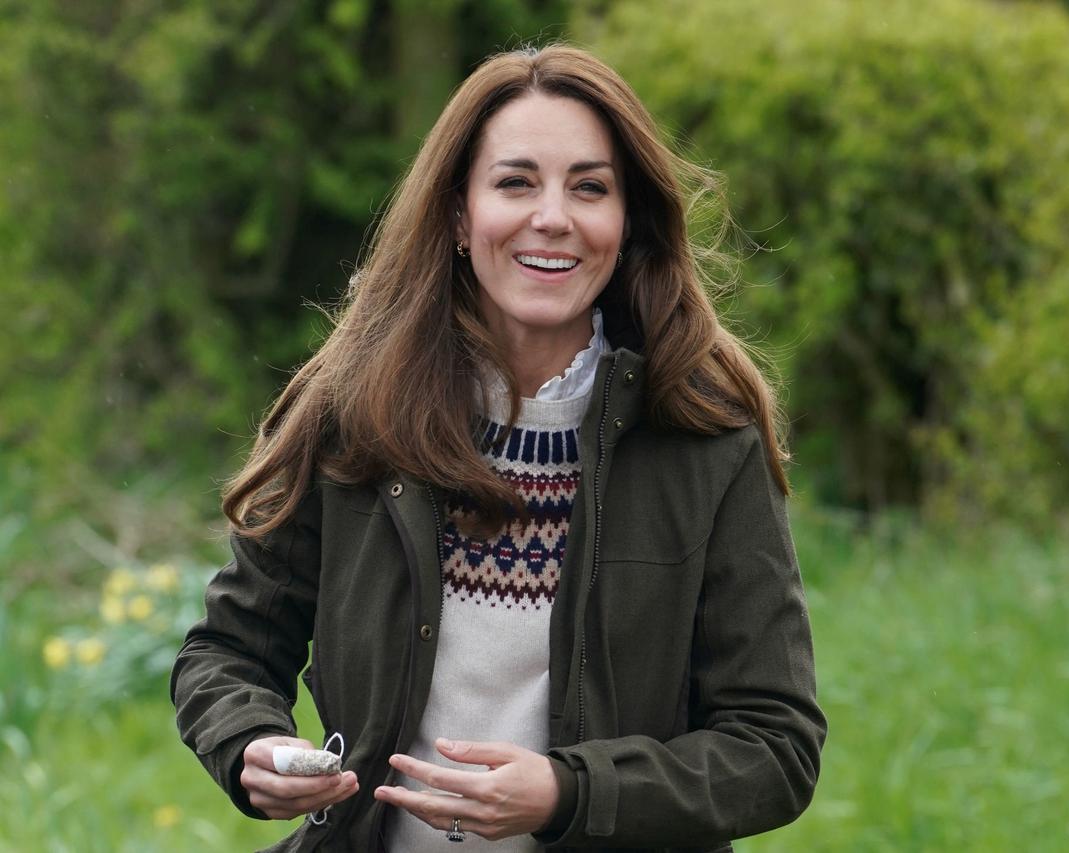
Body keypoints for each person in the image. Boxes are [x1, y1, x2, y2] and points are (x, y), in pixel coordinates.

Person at [171, 44, 825, 852]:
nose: (552, 216)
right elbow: (228, 649)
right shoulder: (352, 411)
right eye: (516, 182)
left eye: (589, 187)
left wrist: (568, 792)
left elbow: (775, 746)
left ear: (627, 222)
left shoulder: (707, 436)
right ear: (456, 212)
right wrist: (250, 744)